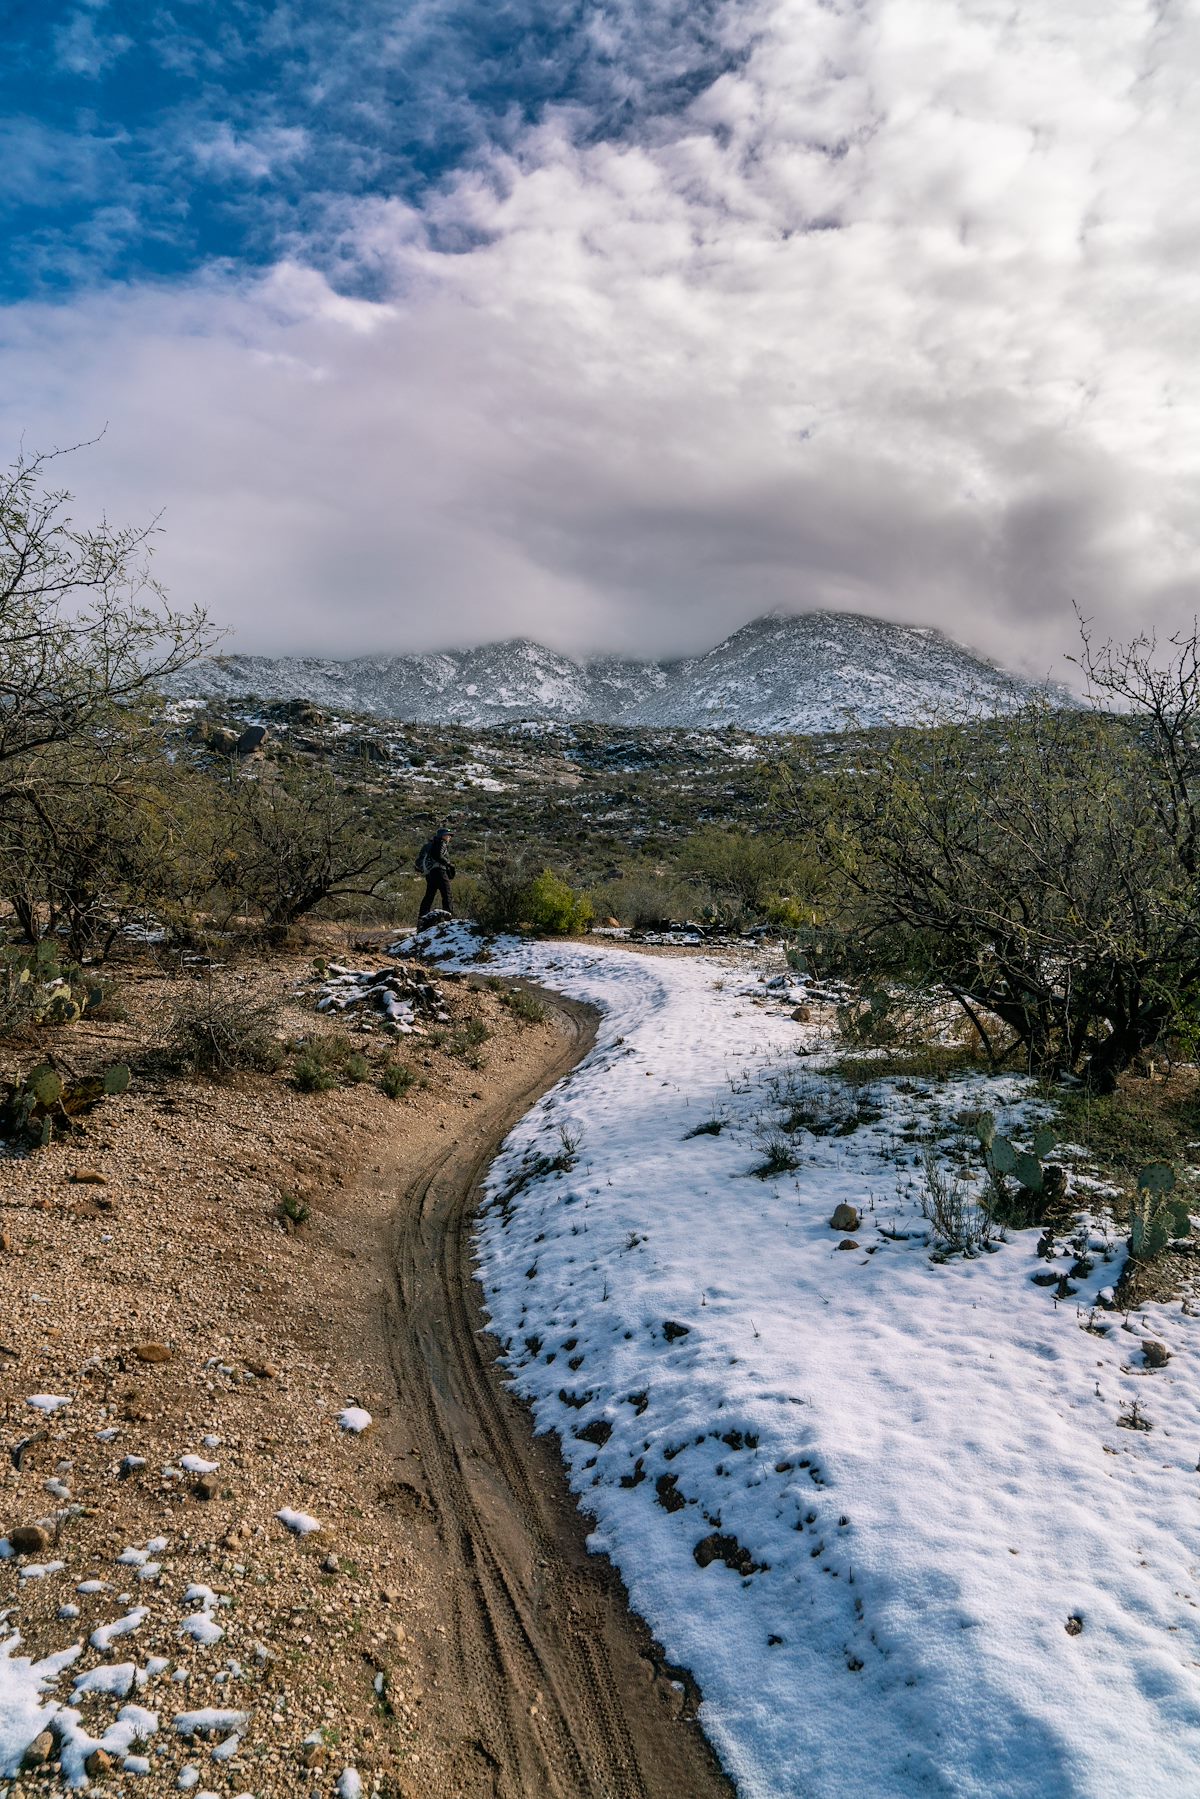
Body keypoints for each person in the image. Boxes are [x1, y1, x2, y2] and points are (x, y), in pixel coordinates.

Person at [416, 827, 455, 926]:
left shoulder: (430, 845)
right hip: (439, 871)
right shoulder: (441, 843)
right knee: (447, 894)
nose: (449, 837)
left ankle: (422, 918)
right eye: (448, 835)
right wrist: (449, 864)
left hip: (430, 873)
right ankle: (449, 918)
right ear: (442, 836)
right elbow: (437, 855)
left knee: (429, 895)